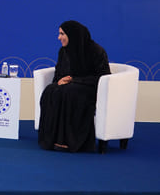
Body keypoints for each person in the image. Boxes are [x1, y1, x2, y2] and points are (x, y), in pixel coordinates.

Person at [38, 21, 110, 153]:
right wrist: (59, 81)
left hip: (89, 88)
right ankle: (51, 138)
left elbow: (102, 77)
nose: (59, 37)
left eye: (62, 34)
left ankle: (69, 141)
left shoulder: (96, 51)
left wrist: (74, 80)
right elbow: (58, 73)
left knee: (70, 92)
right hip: (69, 86)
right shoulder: (63, 51)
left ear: (73, 34)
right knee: (51, 90)